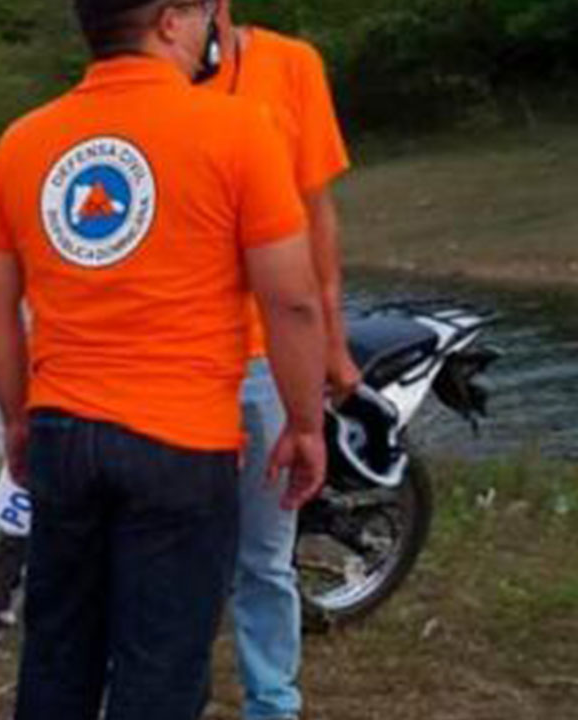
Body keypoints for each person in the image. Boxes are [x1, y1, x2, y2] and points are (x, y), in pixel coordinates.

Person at [0, 0, 329, 717]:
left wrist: (17, 418)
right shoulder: (237, 130)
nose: (208, 26)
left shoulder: (21, 142)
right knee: (160, 666)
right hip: (182, 443)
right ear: (168, 21)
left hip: (62, 433)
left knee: (58, 651)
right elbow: (292, 301)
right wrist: (304, 422)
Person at [198, 4, 360, 718]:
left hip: (267, 351)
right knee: (171, 548)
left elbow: (316, 212)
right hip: (176, 358)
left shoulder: (291, 65)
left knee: (264, 553)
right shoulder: (143, 63)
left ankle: (272, 702)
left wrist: (331, 339)